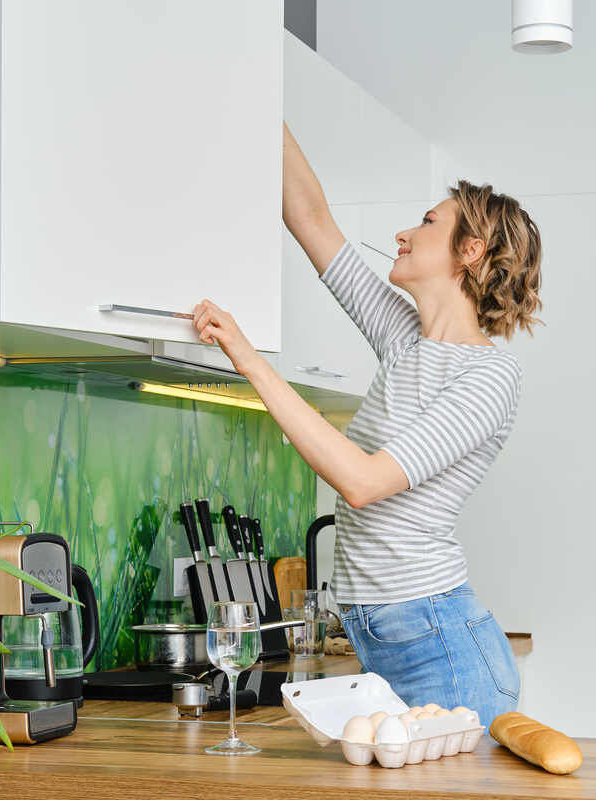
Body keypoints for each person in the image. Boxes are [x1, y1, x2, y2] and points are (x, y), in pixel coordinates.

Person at [191, 123, 542, 726]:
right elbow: (309, 216)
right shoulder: (404, 337)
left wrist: (249, 358)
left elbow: (362, 481)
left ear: (471, 251)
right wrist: (260, 95)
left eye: (428, 223)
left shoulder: (489, 377)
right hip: (388, 638)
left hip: (444, 653)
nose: (404, 234)